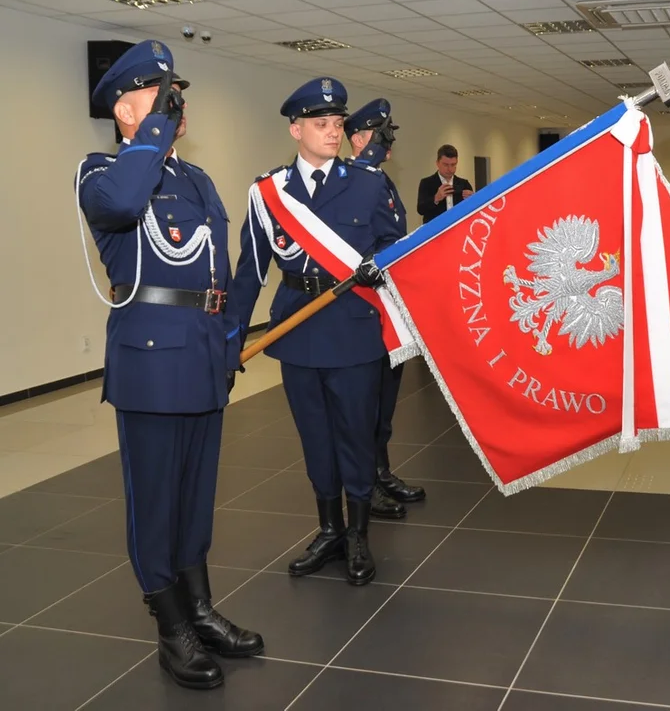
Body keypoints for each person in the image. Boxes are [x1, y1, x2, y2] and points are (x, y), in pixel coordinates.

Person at [75, 39, 263, 690]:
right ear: (126, 108)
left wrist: (231, 336)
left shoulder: (194, 178)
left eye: (175, 96)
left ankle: (200, 608)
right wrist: (148, 134)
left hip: (205, 357)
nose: (175, 106)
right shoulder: (101, 173)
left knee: (194, 500)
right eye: (159, 95)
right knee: (156, 502)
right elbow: (125, 207)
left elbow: (218, 271)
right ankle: (171, 627)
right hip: (151, 365)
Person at [230, 78, 402, 586]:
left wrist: (379, 265)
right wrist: (229, 341)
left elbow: (397, 249)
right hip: (298, 331)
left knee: (355, 436)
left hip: (353, 329)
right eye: (322, 124)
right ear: (296, 129)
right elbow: (249, 271)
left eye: (338, 124)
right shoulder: (268, 193)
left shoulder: (368, 183)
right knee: (316, 439)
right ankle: (329, 530)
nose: (334, 132)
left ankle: (358, 537)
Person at [343, 98, 426, 507]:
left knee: (385, 401)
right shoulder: (352, 180)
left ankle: (380, 471)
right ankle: (365, 483)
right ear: (358, 140)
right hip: (366, 307)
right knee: (365, 405)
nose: (386, 142)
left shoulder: (381, 180)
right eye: (378, 134)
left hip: (390, 306)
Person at [416, 144, 473, 224]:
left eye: (453, 165)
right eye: (445, 165)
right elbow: (420, 210)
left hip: (459, 230)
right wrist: (436, 198)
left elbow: (471, 211)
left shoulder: (464, 184)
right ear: (437, 163)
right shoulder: (426, 183)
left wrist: (473, 200)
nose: (450, 169)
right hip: (435, 232)